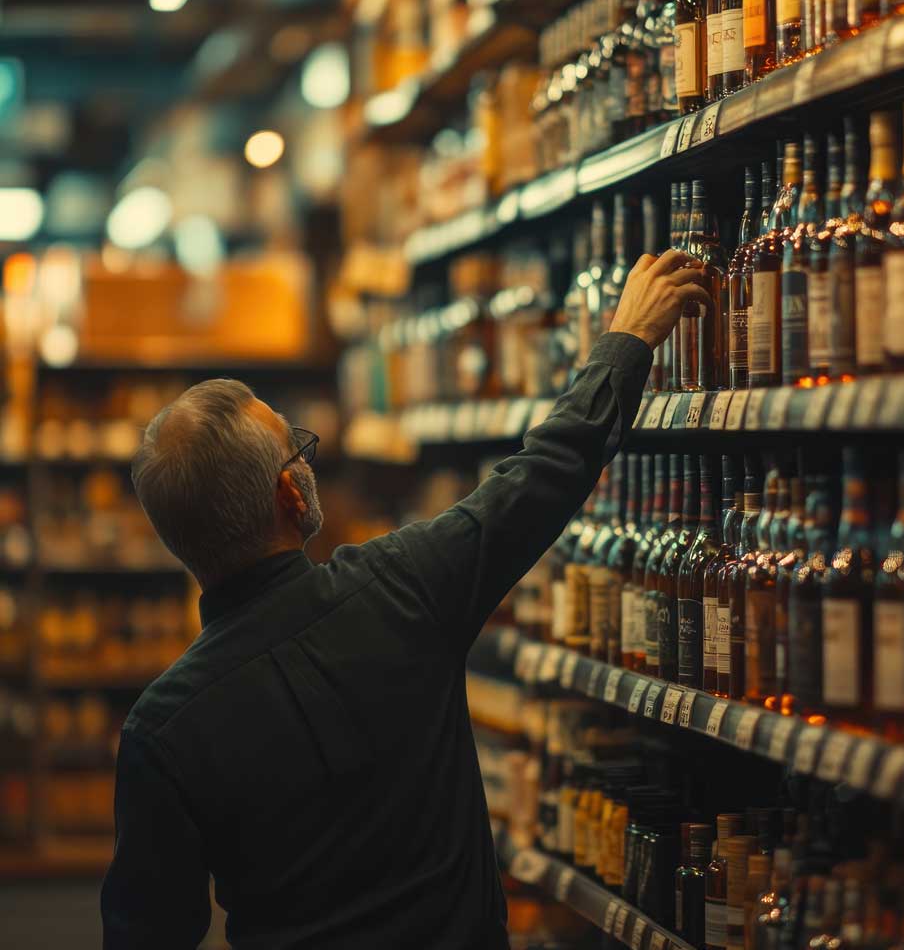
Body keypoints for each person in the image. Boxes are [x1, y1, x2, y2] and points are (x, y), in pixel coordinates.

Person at [100, 250, 711, 950]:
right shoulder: (403, 586)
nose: (305, 460)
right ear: (291, 494)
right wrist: (626, 340)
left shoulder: (163, 730)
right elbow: (544, 474)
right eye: (296, 449)